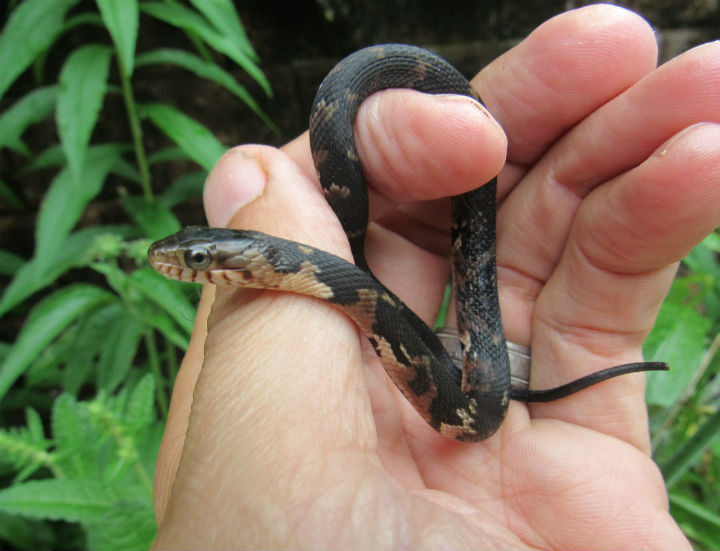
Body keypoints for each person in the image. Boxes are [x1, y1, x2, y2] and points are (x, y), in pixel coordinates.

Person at [152, 4, 718, 548]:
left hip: (467, 411)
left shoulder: (316, 266)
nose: (182, 267)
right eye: (197, 258)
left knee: (469, 152)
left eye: (202, 260)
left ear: (257, 257)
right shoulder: (317, 273)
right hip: (463, 420)